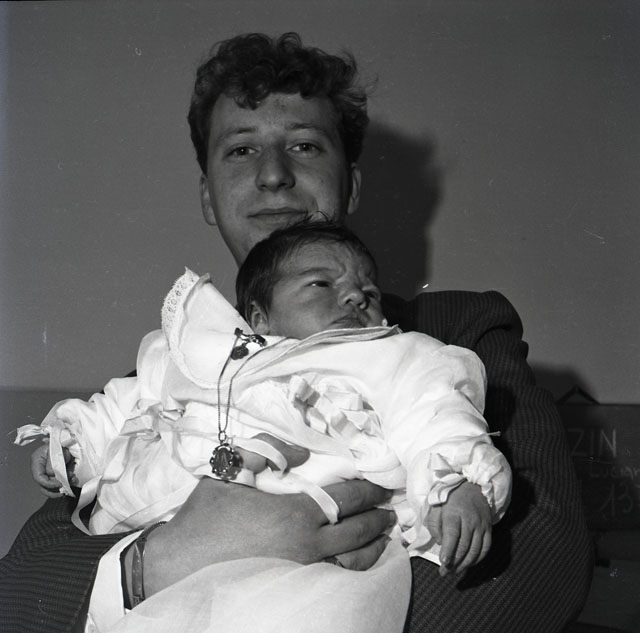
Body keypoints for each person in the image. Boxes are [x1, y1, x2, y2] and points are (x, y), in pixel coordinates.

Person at [0, 32, 592, 633]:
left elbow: (547, 558)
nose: (274, 175)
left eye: (305, 145)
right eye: (240, 150)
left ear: (351, 184)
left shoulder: (456, 333)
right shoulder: (172, 372)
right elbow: (21, 586)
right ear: (208, 196)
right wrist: (158, 564)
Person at [16, 222, 512, 633]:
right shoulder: (205, 352)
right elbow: (129, 401)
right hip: (145, 532)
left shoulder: (393, 355)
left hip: (301, 565)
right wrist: (75, 444)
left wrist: (457, 485)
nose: (355, 297)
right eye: (322, 285)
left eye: (369, 292)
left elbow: (435, 411)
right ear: (259, 317)